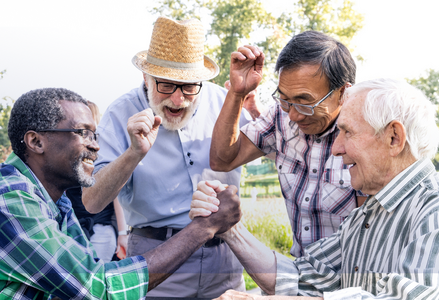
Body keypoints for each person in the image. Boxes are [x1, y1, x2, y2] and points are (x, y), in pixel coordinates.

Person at [193, 79, 439, 299]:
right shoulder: (367, 215)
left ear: (393, 137)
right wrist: (229, 227)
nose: (337, 149)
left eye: (347, 132)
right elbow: (301, 278)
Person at [0, 87, 241, 299]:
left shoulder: (56, 201)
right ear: (36, 142)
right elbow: (97, 287)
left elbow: (77, 282)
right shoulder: (10, 200)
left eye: (94, 134)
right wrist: (203, 228)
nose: (95, 146)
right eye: (82, 132)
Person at [81, 16, 261, 298]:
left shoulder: (225, 102)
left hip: (224, 259)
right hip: (158, 261)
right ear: (145, 77)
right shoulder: (120, 112)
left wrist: (257, 111)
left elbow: (275, 145)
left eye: (189, 87)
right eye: (166, 85)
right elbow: (91, 202)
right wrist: (133, 154)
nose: (178, 100)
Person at [209, 31, 365, 258]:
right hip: (300, 275)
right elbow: (222, 160)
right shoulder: (279, 118)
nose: (293, 116)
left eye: (305, 103)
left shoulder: (366, 137)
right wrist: (237, 93)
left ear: (343, 92)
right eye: (284, 99)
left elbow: (369, 239)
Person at [66, 101, 129, 262]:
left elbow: (117, 195)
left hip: (99, 227)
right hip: (73, 227)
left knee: (95, 280)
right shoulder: (71, 152)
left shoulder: (101, 152)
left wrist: (123, 233)